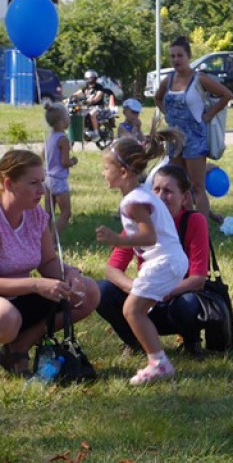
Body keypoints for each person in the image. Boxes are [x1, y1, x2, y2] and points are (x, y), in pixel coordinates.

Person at [0, 150, 100, 383]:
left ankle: (16, 350)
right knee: (5, 317)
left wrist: (72, 274)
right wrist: (36, 285)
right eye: (33, 183)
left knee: (89, 292)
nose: (41, 190)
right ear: (9, 184)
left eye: (42, 182)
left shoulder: (36, 215)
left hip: (11, 301)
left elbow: (48, 262)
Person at [94, 129, 189, 385]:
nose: (103, 173)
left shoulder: (133, 202)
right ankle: (156, 356)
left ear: (124, 172)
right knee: (137, 310)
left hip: (164, 261)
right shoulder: (141, 193)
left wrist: (117, 239)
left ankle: (158, 363)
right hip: (169, 261)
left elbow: (149, 237)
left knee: (132, 310)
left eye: (106, 168)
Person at [96, 163, 212, 357]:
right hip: (145, 300)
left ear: (184, 198)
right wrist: (136, 289)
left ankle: (192, 342)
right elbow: (112, 270)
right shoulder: (141, 221)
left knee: (189, 303)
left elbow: (198, 279)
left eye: (168, 191)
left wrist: (163, 292)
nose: (160, 196)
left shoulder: (194, 221)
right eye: (156, 189)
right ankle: (136, 342)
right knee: (102, 290)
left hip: (176, 298)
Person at [154, 36, 233, 222]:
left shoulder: (199, 78)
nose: (176, 60)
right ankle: (181, 223)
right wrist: (168, 114)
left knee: (197, 186)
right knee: (176, 186)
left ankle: (201, 229)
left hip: (195, 140)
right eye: (172, 56)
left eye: (180, 55)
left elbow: (226, 95)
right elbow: (158, 98)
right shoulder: (169, 79)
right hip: (175, 141)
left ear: (188, 56)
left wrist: (209, 115)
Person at [43, 102, 78, 234]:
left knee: (48, 213)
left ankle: (44, 240)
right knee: (65, 212)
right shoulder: (63, 139)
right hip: (59, 179)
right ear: (63, 122)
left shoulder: (50, 138)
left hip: (47, 178)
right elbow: (65, 162)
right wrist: (73, 161)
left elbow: (43, 155)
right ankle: (52, 240)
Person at [69, 70, 113, 139]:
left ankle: (96, 133)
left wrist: (92, 100)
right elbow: (77, 94)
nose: (90, 80)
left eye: (91, 78)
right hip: (89, 107)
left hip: (99, 107)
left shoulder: (99, 87)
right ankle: (83, 130)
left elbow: (98, 96)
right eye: (88, 78)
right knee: (78, 113)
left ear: (95, 78)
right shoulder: (86, 88)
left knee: (92, 114)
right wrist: (69, 98)